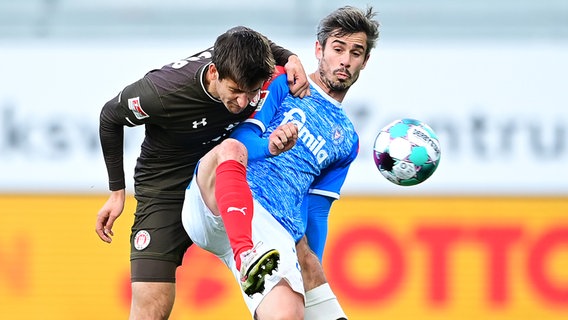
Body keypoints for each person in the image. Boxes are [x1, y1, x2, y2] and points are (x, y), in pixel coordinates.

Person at [95, 26, 310, 320]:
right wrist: (116, 194)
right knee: (150, 308)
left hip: (229, 179)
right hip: (165, 188)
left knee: (285, 308)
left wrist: (291, 56)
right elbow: (110, 116)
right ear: (213, 74)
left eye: (252, 93)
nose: (243, 103)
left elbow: (256, 39)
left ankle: (246, 255)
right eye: (235, 91)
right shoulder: (163, 92)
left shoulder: (253, 66)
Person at [181, 6, 380, 319]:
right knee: (229, 149)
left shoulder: (348, 141)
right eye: (338, 49)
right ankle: (245, 252)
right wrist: (269, 147)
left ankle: (258, 259)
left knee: (289, 313)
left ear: (364, 61)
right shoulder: (283, 84)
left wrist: (309, 268)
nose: (345, 60)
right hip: (223, 197)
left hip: (273, 228)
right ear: (319, 49)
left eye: (356, 53)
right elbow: (244, 140)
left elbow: (316, 211)